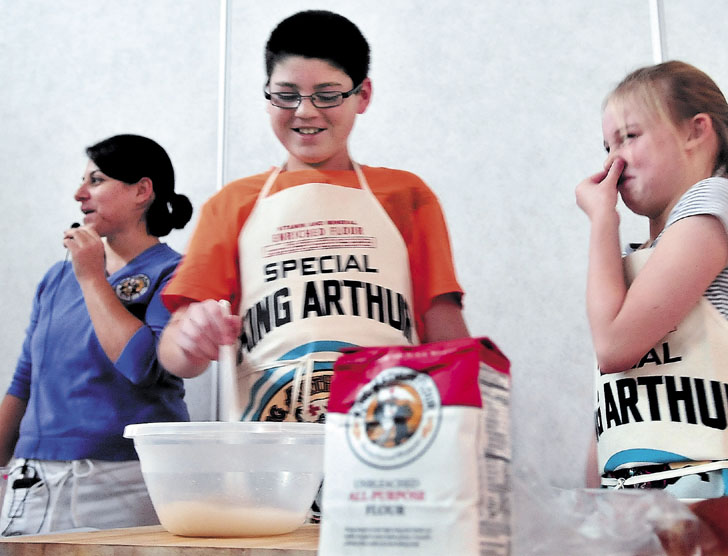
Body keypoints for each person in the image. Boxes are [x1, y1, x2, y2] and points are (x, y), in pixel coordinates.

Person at [157, 10, 469, 424]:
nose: (305, 111)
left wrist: (470, 432)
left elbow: (444, 325)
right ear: (267, 94)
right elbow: (177, 351)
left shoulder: (407, 196)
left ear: (364, 95)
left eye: (328, 94)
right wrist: (191, 336)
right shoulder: (232, 205)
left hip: (390, 444)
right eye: (286, 95)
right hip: (269, 449)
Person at [576, 60, 728, 506]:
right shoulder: (641, 258)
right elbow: (614, 399)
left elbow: (614, 346)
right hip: (644, 502)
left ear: (696, 132)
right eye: (607, 145)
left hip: (723, 500)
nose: (613, 160)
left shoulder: (718, 199)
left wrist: (602, 219)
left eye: (630, 137)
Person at [0, 134, 194, 535]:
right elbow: (25, 380)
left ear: (142, 190)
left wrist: (91, 277)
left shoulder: (175, 272)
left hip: (126, 481)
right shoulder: (56, 277)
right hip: (31, 482)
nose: (79, 194)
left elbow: (142, 365)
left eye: (96, 180)